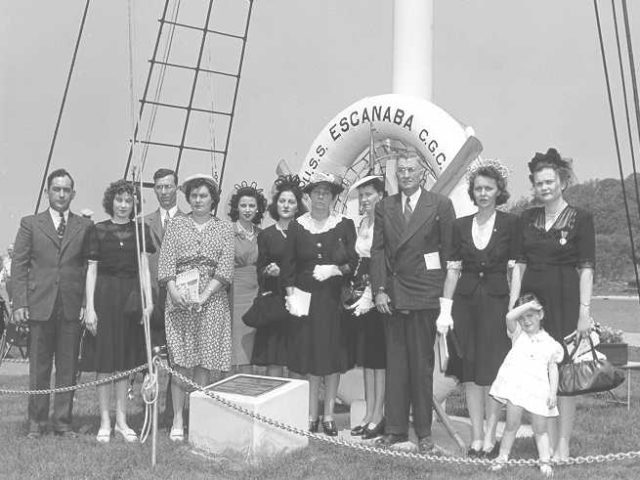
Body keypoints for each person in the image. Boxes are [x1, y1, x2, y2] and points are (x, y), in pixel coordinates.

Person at [510, 148, 595, 462]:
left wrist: (584, 311)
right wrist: (513, 310)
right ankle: (543, 441)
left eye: (549, 181)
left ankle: (563, 445)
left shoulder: (581, 219)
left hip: (565, 301)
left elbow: (587, 267)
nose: (544, 187)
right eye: (538, 183)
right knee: (538, 374)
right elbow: (518, 266)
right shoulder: (526, 219)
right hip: (531, 305)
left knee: (564, 375)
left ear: (562, 181)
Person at [370, 152, 455, 453]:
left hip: (424, 295)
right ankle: (394, 429)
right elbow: (378, 252)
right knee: (396, 364)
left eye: (411, 170)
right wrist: (379, 289)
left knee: (421, 366)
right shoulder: (385, 207)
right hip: (392, 296)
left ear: (422, 174)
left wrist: (442, 296)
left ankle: (423, 430)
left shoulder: (440, 205)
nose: (405, 175)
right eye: (401, 170)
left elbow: (448, 254)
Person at [436, 159, 518, 458]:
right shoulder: (459, 226)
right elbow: (454, 271)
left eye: (489, 188)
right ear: (472, 192)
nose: (483, 193)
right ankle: (476, 436)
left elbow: (516, 271)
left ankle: (492, 436)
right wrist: (445, 310)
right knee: (471, 373)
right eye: (478, 188)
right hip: (466, 306)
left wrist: (514, 310)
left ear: (499, 191)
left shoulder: (511, 224)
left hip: (497, 305)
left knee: (493, 372)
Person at [11, 168, 93, 438]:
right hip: (39, 305)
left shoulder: (84, 226)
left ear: (73, 193)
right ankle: (36, 423)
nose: (61, 194)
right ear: (47, 192)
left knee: (68, 367)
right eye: (56, 189)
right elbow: (20, 265)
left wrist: (85, 303)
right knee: (40, 368)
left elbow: (87, 267)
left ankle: (62, 423)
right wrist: (20, 303)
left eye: (66, 190)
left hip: (70, 307)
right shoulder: (30, 224)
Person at [158, 174, 234, 442]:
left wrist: (204, 296)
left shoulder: (225, 229)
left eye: (204, 195)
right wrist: (174, 291)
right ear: (188, 198)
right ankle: (178, 418)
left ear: (213, 199)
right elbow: (166, 263)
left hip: (212, 301)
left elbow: (225, 268)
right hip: (179, 300)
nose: (199, 200)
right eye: (194, 196)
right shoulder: (177, 225)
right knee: (181, 362)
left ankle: (200, 419)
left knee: (204, 362)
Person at [282, 171, 357, 436]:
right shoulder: (297, 225)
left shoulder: (345, 224)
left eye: (326, 193)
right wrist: (291, 295)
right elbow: (288, 266)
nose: (321, 197)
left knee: (331, 357)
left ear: (334, 197)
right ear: (309, 196)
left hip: (332, 300)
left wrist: (336, 270)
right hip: (305, 300)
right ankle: (311, 413)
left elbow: (354, 262)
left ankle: (328, 416)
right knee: (311, 356)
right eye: (316, 193)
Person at [80, 180, 154, 443]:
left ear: (134, 204)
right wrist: (89, 306)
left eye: (128, 201)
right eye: (119, 200)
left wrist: (149, 301)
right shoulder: (97, 230)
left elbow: (144, 267)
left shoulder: (141, 230)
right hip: (104, 298)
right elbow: (91, 269)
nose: (123, 205)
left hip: (131, 300)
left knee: (123, 364)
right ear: (111, 201)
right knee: (104, 363)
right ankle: (104, 421)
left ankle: (122, 421)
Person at [489, 293, 563, 477]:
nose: (526, 321)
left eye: (530, 315)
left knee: (540, 428)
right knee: (511, 424)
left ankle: (545, 461)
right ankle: (502, 457)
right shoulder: (517, 334)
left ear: (541, 315)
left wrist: (553, 393)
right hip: (517, 389)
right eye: (522, 317)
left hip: (539, 391)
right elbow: (509, 316)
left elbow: (553, 369)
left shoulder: (550, 343)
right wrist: (529, 305)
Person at [251, 174, 306, 376]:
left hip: (298, 302)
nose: (286, 205)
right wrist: (267, 271)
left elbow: (307, 270)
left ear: (297, 206)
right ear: (276, 204)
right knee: (274, 358)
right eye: (282, 201)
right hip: (274, 301)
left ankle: (295, 406)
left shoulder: (304, 233)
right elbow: (260, 270)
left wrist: (284, 273)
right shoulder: (266, 235)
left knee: (295, 358)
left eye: (291, 202)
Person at [345, 175, 387, 439]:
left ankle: (379, 415)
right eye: (362, 195)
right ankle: (370, 413)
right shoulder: (362, 222)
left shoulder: (385, 224)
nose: (365, 199)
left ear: (380, 196)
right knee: (368, 360)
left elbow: (383, 261)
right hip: (360, 295)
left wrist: (372, 293)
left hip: (378, 296)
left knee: (379, 360)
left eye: (369, 194)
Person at [144, 168, 182, 424]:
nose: (164, 192)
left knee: (178, 358)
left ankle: (174, 413)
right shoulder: (143, 222)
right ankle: (150, 412)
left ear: (176, 188)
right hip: (153, 299)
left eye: (169, 186)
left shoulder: (190, 221)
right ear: (154, 189)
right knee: (151, 357)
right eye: (159, 187)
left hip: (180, 298)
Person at [228, 182, 267, 372]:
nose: (247, 209)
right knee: (235, 350)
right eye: (243, 205)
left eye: (252, 205)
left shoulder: (262, 234)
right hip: (233, 296)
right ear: (237, 207)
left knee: (252, 349)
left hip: (256, 296)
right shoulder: (227, 232)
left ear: (258, 208)